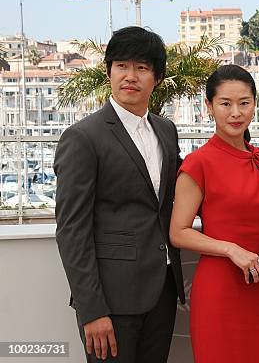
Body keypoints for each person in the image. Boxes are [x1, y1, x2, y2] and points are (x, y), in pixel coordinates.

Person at [54, 26, 185, 363]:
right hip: (110, 303)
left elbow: (177, 195)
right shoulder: (83, 137)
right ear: (108, 70)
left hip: (162, 292)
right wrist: (91, 309)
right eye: (122, 66)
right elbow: (72, 230)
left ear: (156, 77)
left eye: (141, 68)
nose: (131, 76)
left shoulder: (166, 130)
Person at [169, 64, 259, 363]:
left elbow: (258, 211)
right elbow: (178, 232)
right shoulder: (199, 164)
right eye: (225, 103)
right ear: (209, 106)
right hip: (220, 288)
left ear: (254, 104)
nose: (236, 113)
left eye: (244, 103)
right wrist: (232, 250)